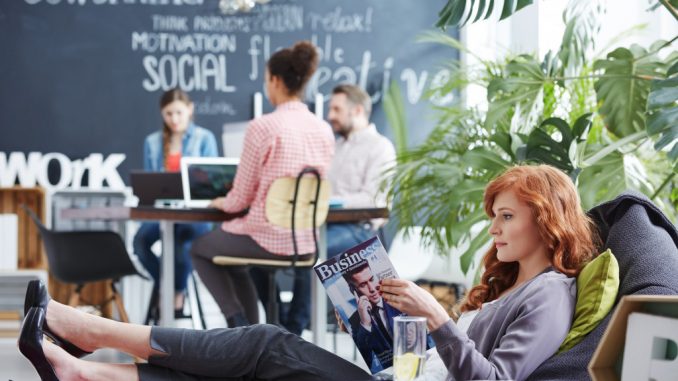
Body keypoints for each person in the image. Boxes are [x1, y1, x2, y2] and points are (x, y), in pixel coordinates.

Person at [18, 164, 599, 381]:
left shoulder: (550, 295)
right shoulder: (514, 285)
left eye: (505, 217)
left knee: (268, 344)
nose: (493, 229)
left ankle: (89, 332)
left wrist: (440, 318)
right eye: (493, 217)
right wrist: (383, 330)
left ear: (545, 221)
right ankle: (81, 372)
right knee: (248, 365)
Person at [189, 40, 335, 328]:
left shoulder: (263, 126)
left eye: (266, 80)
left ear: (276, 80)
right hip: (305, 242)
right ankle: (250, 331)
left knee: (201, 249)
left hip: (267, 238)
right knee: (234, 258)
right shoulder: (324, 129)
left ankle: (239, 321)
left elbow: (240, 199)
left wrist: (220, 202)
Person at [251, 84, 397, 335]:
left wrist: (334, 200)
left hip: (357, 230)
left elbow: (375, 200)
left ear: (358, 110)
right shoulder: (335, 146)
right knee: (261, 250)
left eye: (337, 109)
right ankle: (277, 324)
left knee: (311, 252)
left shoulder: (380, 147)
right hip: (319, 225)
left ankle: (292, 332)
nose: (330, 115)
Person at [133, 88, 217, 322]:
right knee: (139, 242)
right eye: (169, 114)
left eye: (179, 113)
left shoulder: (204, 138)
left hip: (195, 215)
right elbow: (151, 183)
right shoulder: (152, 142)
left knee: (181, 241)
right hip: (163, 212)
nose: (174, 119)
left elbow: (212, 181)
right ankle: (168, 287)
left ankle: (177, 293)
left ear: (190, 110)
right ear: (162, 114)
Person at [342, 258, 399, 370]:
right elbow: (366, 357)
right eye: (363, 285)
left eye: (372, 279)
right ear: (353, 290)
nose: (372, 289)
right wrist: (365, 323)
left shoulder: (397, 299)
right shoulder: (356, 319)